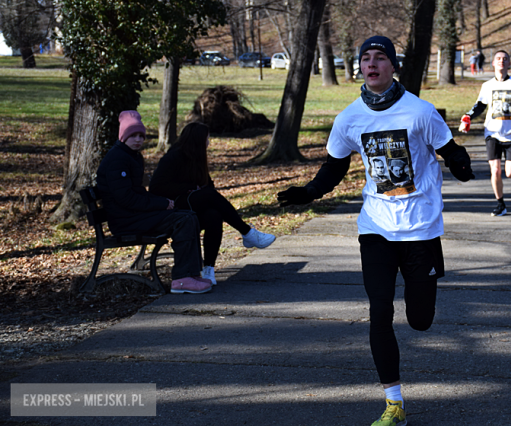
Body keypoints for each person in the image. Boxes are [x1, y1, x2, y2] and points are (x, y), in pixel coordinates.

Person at [277, 35, 474, 426]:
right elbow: (334, 167)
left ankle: (412, 337)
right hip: (376, 229)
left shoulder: (419, 111)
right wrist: (309, 192)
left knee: (419, 320)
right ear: (360, 67)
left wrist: (461, 164)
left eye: (379, 57)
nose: (371, 63)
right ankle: (394, 402)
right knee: (380, 312)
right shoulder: (350, 117)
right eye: (365, 57)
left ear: (392, 66)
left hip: (420, 229)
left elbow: (450, 149)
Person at [96, 111, 211, 294]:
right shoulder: (117, 160)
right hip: (125, 220)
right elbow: (126, 199)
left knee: (188, 215)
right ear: (123, 136)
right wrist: (162, 204)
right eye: (133, 135)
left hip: (133, 216)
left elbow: (139, 193)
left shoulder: (132, 156)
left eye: (141, 135)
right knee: (183, 220)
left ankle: (191, 274)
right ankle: (182, 279)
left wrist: (163, 201)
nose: (138, 139)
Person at [149, 122, 276, 285]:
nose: (209, 143)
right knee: (209, 196)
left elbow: (208, 186)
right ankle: (247, 232)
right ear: (197, 140)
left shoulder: (196, 157)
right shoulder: (174, 156)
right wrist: (189, 188)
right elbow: (156, 187)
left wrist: (200, 190)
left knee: (214, 216)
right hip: (174, 208)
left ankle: (208, 269)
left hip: (190, 205)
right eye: (207, 139)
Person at [459, 50, 511, 217]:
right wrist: (468, 117)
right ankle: (500, 203)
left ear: (509, 63)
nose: (502, 61)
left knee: (510, 173)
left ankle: (502, 200)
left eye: (505, 59)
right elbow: (479, 106)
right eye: (498, 59)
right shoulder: (487, 86)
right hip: (492, 133)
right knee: (495, 170)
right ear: (493, 63)